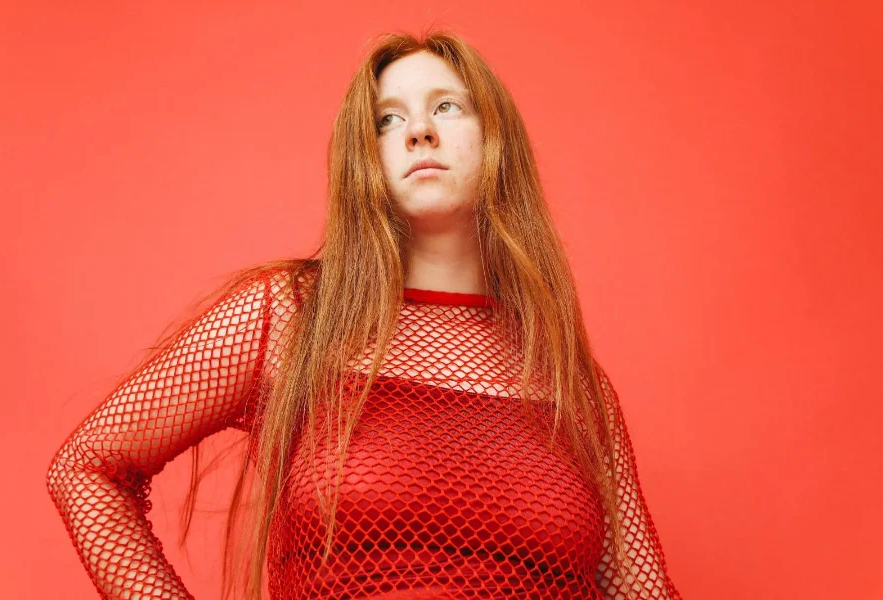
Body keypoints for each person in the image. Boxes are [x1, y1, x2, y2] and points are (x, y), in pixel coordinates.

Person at [46, 29, 684, 600]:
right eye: (387, 119)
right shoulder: (291, 316)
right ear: (365, 159)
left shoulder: (573, 383)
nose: (418, 131)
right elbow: (86, 467)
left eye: (446, 106)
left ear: (498, 142)